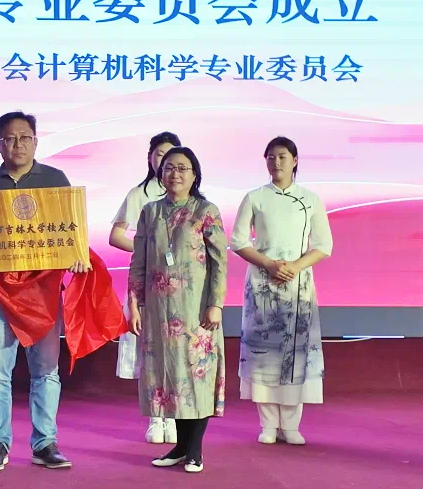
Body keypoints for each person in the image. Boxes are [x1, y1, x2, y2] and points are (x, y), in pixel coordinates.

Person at [0, 111, 90, 471]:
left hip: (43, 294)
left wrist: (76, 255)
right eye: (9, 138)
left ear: (35, 141)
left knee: (46, 370)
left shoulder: (55, 180)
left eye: (24, 137)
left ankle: (45, 444)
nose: (17, 144)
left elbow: (70, 231)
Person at [128, 146, 227, 474]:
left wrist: (215, 304)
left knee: (197, 376)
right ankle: (181, 447)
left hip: (197, 311)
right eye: (169, 168)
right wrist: (134, 303)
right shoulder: (150, 212)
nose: (175, 174)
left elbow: (220, 262)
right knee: (172, 379)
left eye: (183, 168)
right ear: (160, 174)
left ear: (194, 174)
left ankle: (194, 450)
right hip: (159, 312)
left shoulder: (206, 211)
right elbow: (138, 261)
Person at [230, 136, 333, 446]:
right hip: (262, 284)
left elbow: (323, 245)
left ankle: (290, 425)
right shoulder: (255, 197)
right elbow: (237, 241)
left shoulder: (310, 199)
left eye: (282, 156)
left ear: (295, 160)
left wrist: (295, 266)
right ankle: (267, 424)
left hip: (297, 285)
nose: (276, 162)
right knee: (263, 352)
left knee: (294, 353)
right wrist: (269, 264)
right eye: (271, 157)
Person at [109, 131, 181, 445]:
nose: (165, 161)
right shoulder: (139, 194)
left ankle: (174, 417)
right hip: (148, 279)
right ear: (150, 158)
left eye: (171, 155)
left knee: (176, 350)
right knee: (151, 350)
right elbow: (116, 236)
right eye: (159, 154)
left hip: (180, 285)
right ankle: (155, 418)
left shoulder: (190, 197)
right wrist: (147, 250)